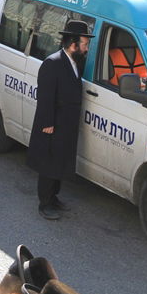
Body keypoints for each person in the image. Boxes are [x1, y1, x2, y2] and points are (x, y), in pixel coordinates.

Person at [26, 19, 93, 221]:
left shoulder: (74, 62)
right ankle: (44, 203)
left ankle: (54, 197)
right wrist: (48, 123)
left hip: (66, 124)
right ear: (73, 44)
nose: (87, 48)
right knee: (49, 164)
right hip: (53, 124)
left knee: (60, 162)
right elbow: (46, 97)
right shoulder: (52, 63)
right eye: (84, 44)